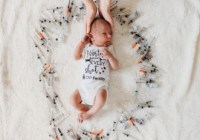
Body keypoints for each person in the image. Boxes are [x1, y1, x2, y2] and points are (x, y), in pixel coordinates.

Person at [70, 17, 119, 123]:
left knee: (102, 98)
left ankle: (90, 113)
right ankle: (84, 110)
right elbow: (76, 56)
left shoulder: (108, 49)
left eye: (110, 33)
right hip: (84, 85)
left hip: (99, 86)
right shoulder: (87, 48)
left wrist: (110, 57)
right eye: (104, 33)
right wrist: (82, 43)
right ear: (92, 36)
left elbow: (116, 66)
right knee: (73, 101)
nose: (110, 35)